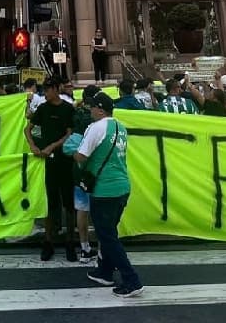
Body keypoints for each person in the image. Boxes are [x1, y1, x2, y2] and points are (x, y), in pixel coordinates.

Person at [75, 92, 143, 298]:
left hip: (104, 190)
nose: (90, 111)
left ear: (100, 109)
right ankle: (105, 271)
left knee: (108, 237)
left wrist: (72, 149)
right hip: (122, 187)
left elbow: (81, 155)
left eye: (92, 108)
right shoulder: (120, 127)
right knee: (108, 233)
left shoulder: (96, 127)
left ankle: (131, 279)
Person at [25, 79, 76, 262]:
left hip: (66, 160)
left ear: (56, 89)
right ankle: (48, 242)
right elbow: (27, 129)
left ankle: (71, 242)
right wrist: (33, 147)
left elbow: (70, 133)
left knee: (69, 205)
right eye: (44, 91)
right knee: (50, 203)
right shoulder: (43, 109)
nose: (45, 94)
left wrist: (52, 146)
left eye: (47, 90)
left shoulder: (68, 109)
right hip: (48, 162)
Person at [63, 84, 101, 263]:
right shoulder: (98, 119)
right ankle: (102, 250)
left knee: (82, 209)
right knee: (100, 210)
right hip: (97, 170)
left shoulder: (75, 113)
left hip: (79, 169)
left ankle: (85, 247)